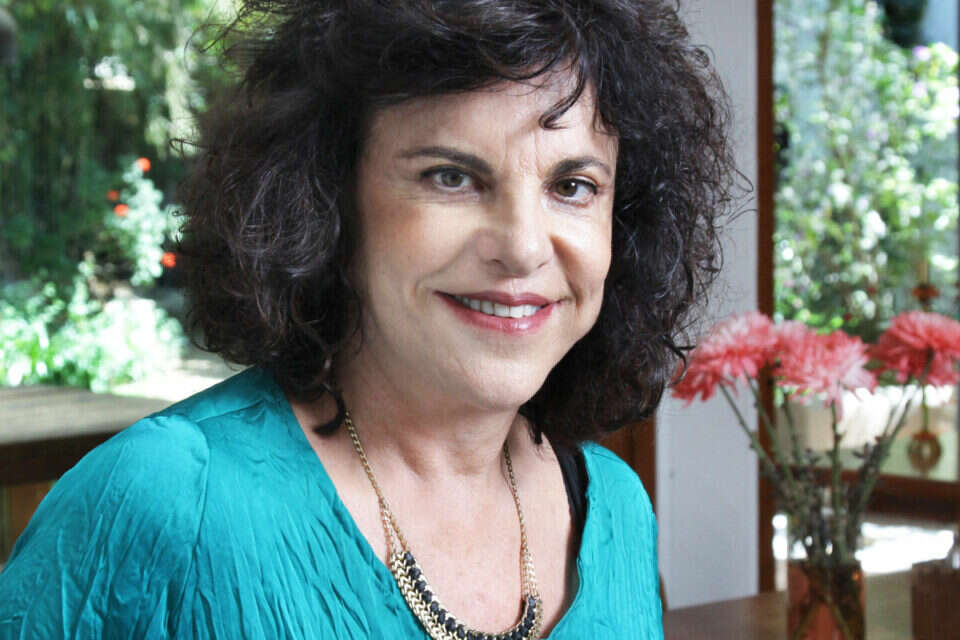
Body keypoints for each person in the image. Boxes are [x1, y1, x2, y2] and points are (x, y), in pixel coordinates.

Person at [0, 0, 736, 637]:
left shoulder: (616, 512)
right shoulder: (163, 500)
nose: (521, 247)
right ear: (329, 200)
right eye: (451, 176)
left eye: (572, 185)